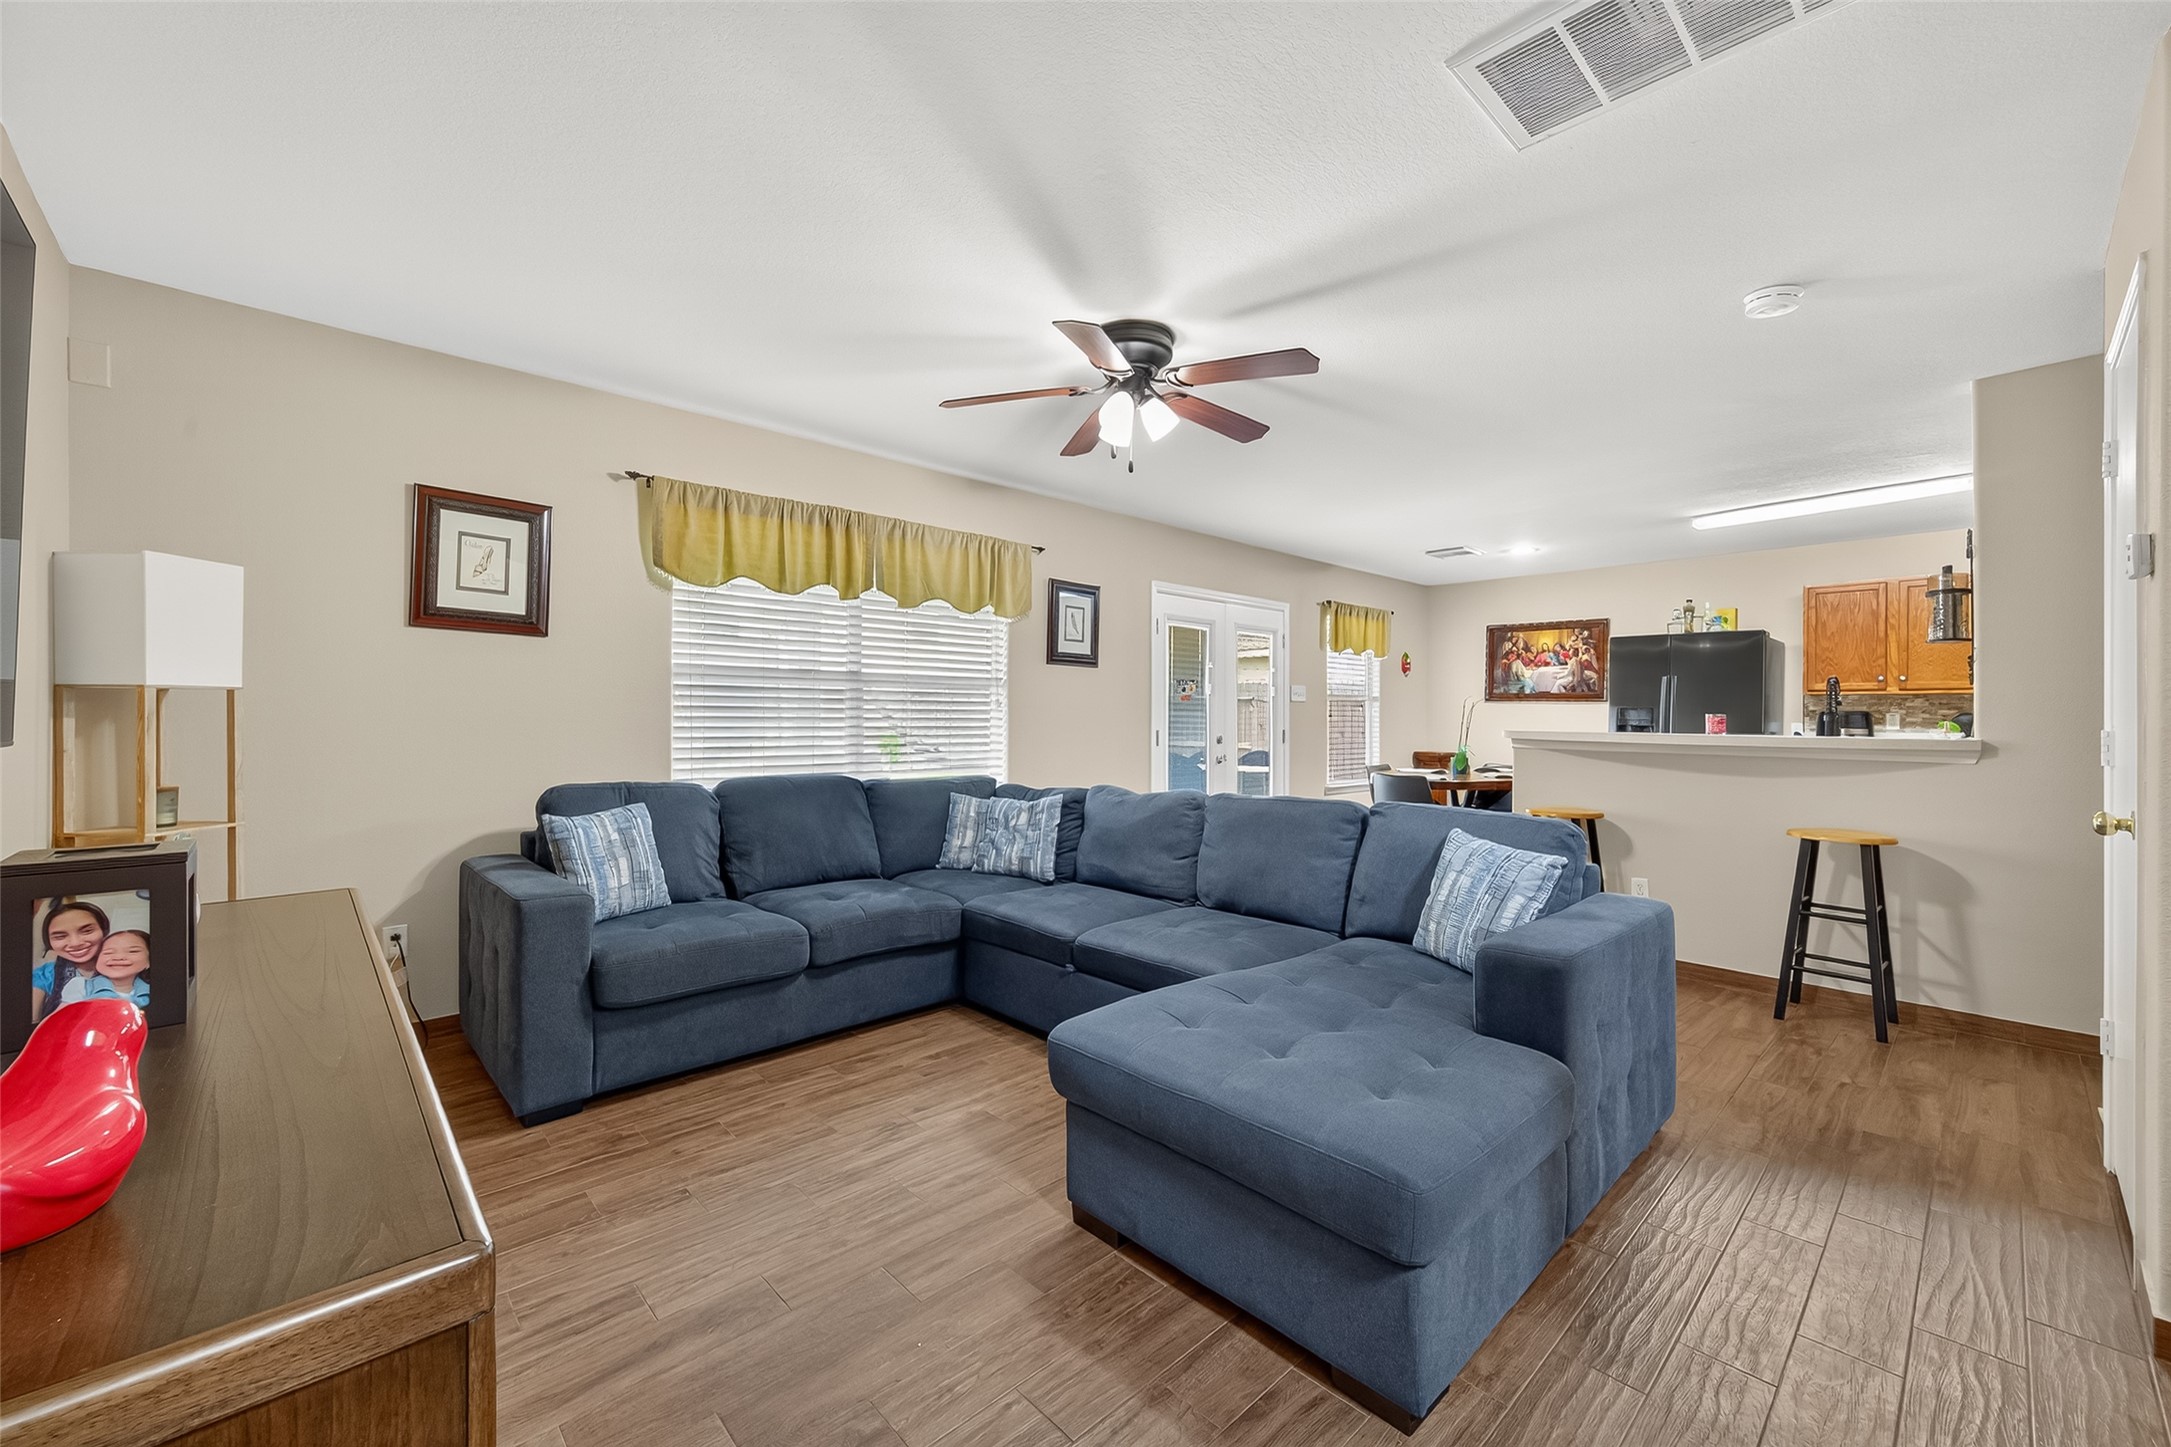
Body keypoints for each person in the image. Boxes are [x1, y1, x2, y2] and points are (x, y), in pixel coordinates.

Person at [31, 899, 110, 1024]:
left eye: (87, 931)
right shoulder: (44, 975)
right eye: (60, 936)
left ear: (104, 930)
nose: (75, 943)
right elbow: (31, 1024)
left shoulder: (124, 966)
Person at [82, 929, 150, 1010]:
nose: (118, 957)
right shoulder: (80, 986)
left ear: (149, 961)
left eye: (132, 951)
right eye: (108, 952)